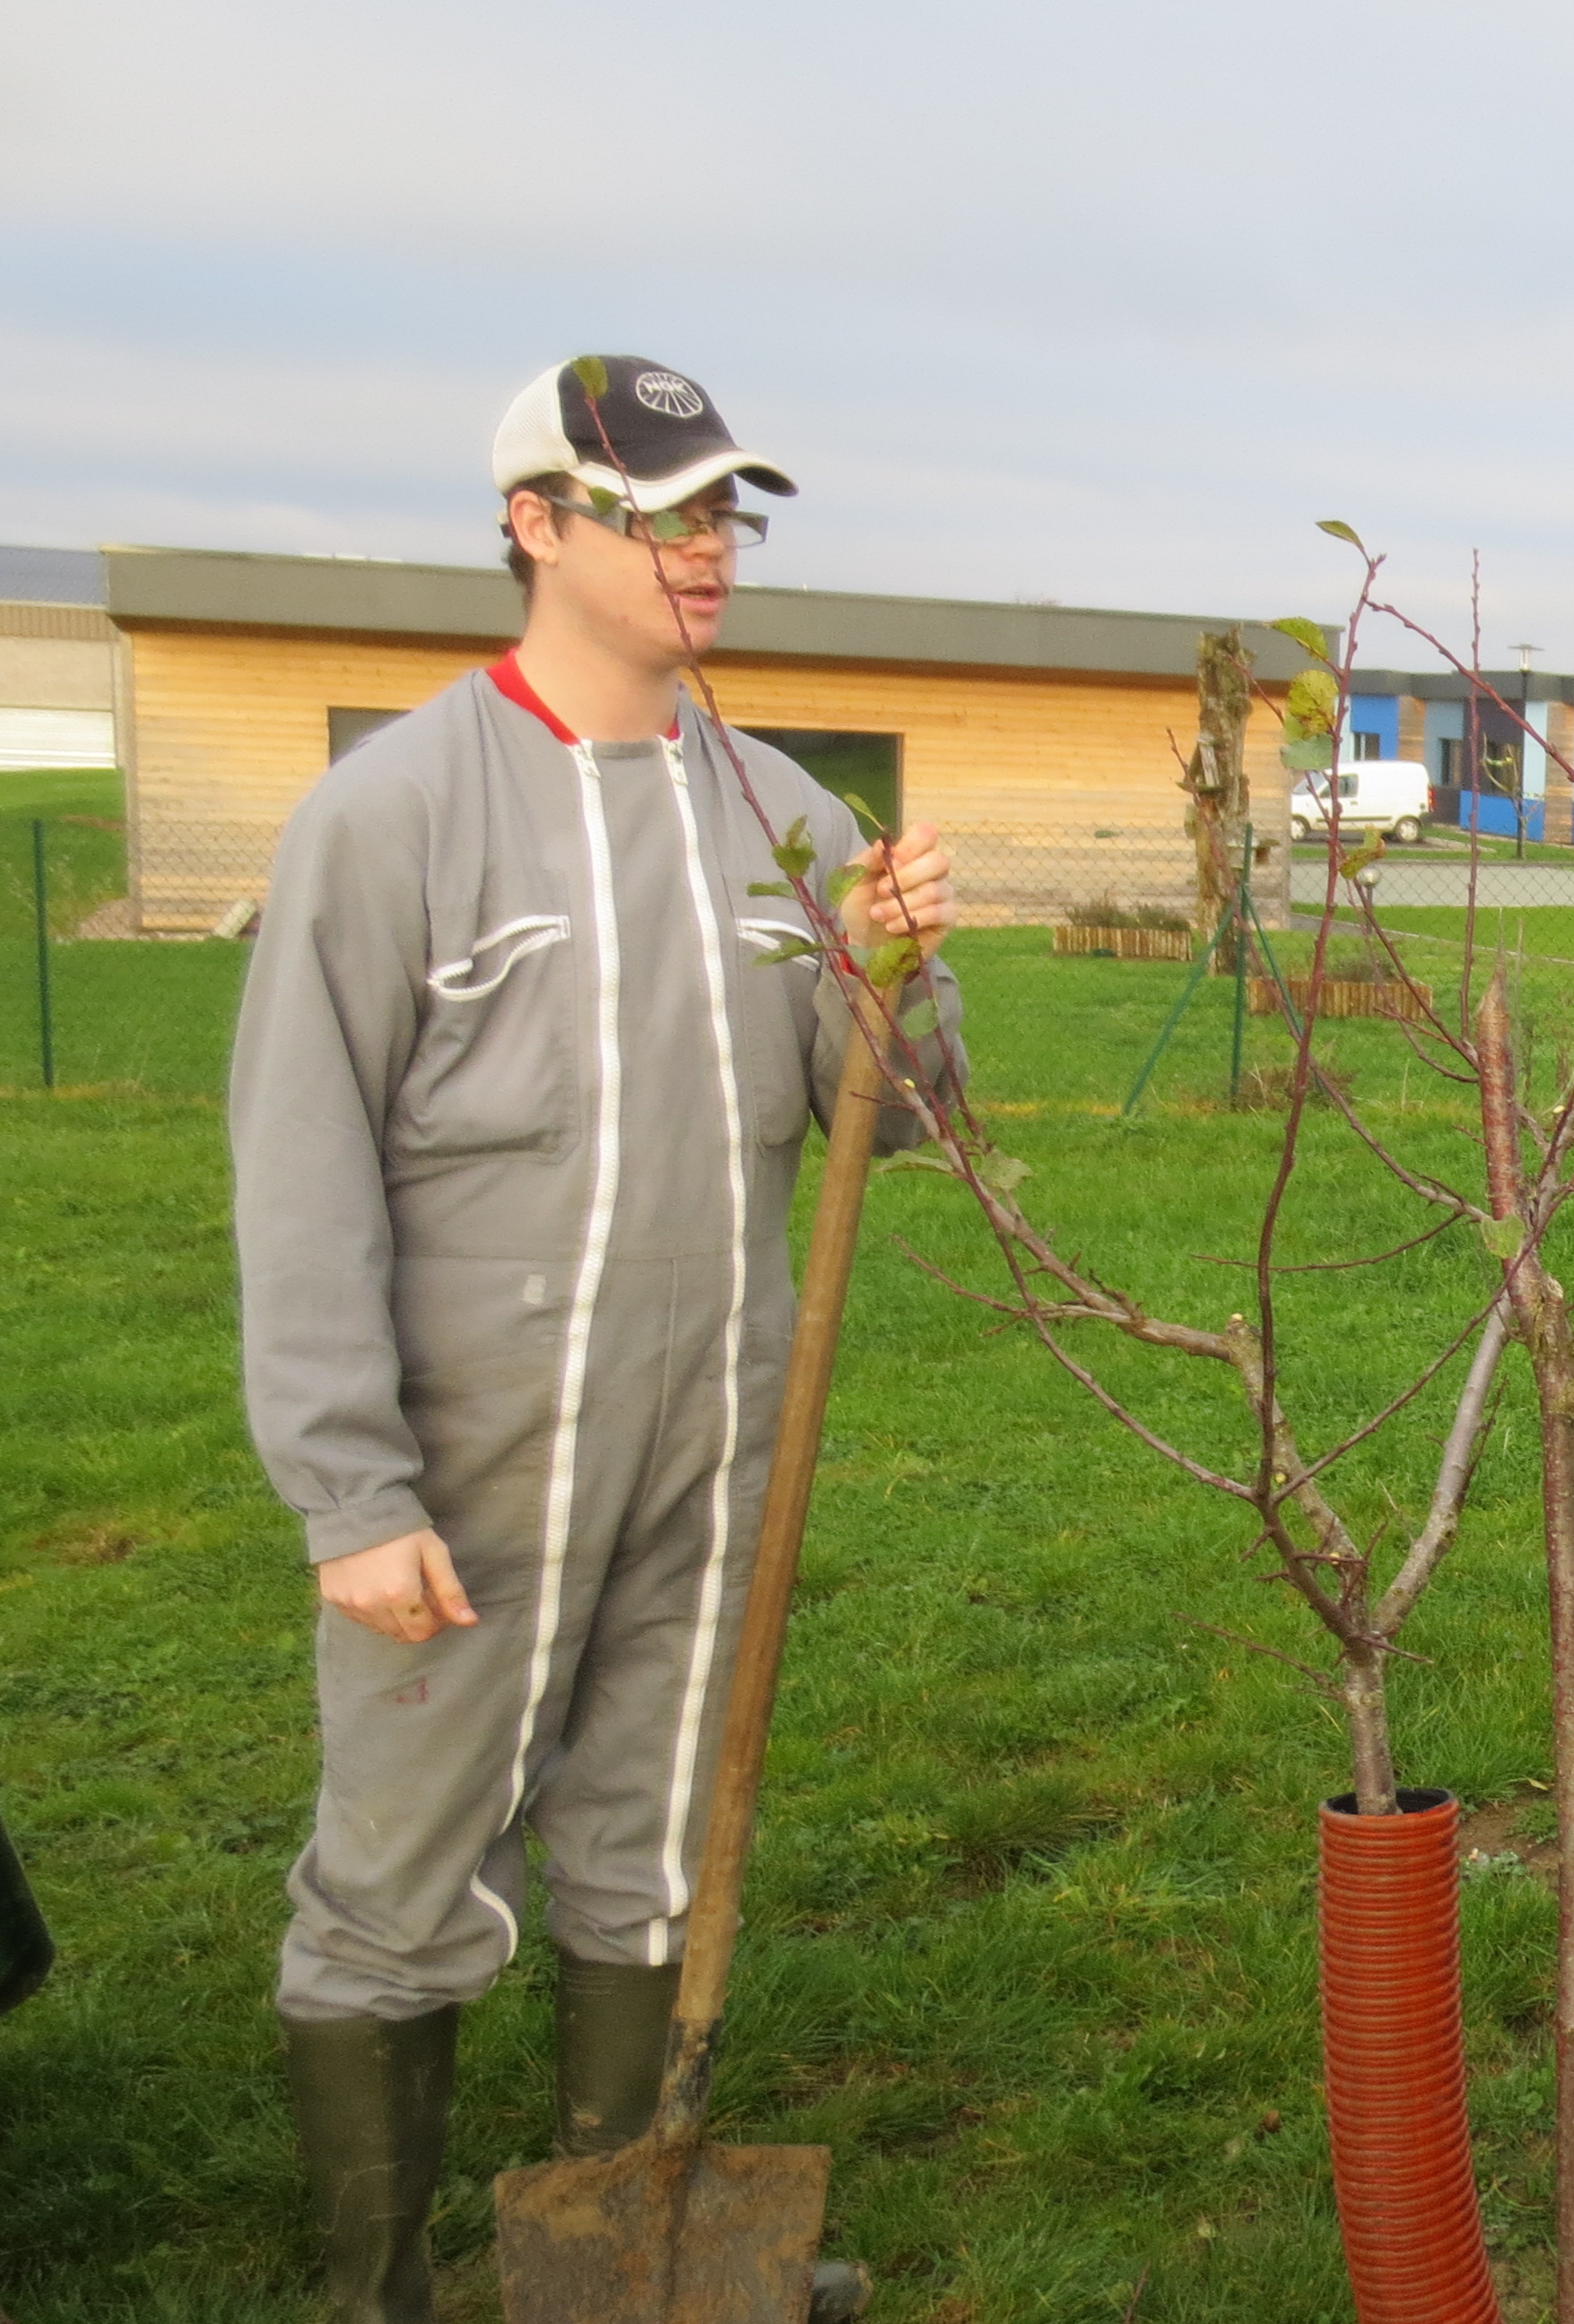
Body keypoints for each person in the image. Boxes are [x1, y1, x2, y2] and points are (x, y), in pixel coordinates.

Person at [230, 357, 960, 2324]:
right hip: (465, 1474)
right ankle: (377, 2290)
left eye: (728, 513)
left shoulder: (786, 814)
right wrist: (347, 1490)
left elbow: (908, 1120)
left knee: (646, 1851)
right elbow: (299, 1178)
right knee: (400, 1883)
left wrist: (898, 967)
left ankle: (606, 2255)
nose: (706, 548)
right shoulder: (389, 816)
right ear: (535, 526)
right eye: (659, 512)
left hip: (711, 1453)